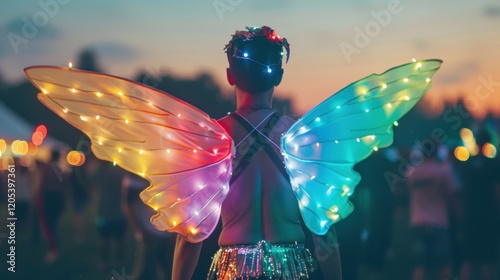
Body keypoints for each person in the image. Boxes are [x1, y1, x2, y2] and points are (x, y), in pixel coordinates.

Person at [172, 26, 342, 280]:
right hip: (292, 269)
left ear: (230, 76)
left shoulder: (213, 139)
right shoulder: (302, 138)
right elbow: (323, 232)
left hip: (235, 269)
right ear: (278, 76)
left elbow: (191, 234)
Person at [406, 145, 457, 280]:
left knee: (419, 265)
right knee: (442, 265)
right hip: (439, 222)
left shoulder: (412, 172)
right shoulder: (443, 171)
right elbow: (452, 195)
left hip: (418, 222)